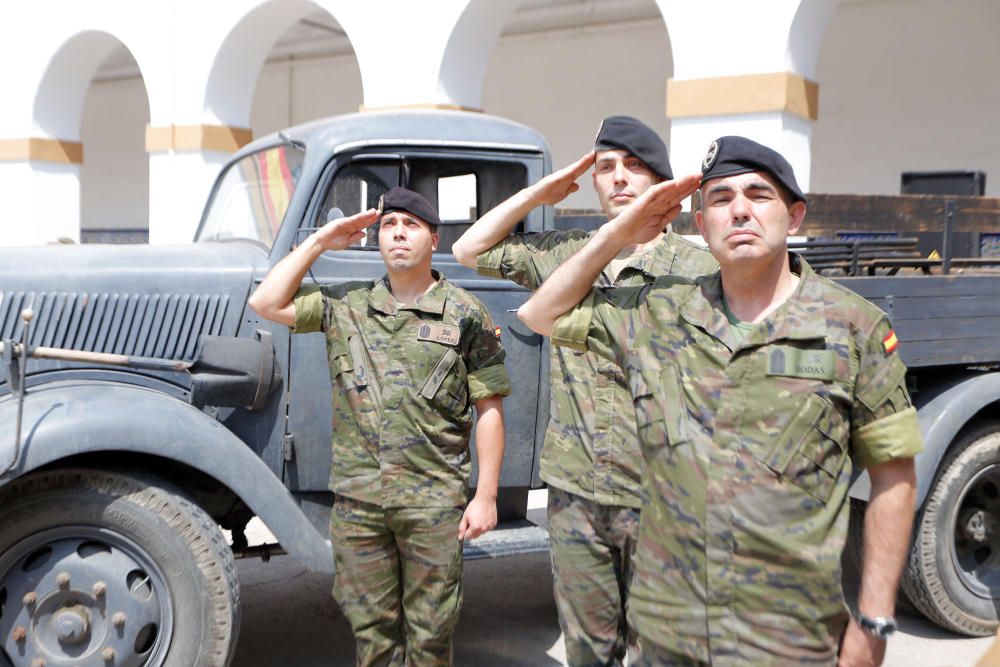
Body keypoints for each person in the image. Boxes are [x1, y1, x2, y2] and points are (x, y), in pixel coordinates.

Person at [517, 137, 923, 666]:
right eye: (720, 199)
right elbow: (539, 315)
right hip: (665, 634)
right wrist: (621, 229)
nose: (739, 211)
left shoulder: (853, 327)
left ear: (794, 216)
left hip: (786, 639)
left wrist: (873, 621)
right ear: (701, 225)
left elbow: (893, 476)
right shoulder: (658, 312)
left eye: (759, 195)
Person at [453, 116, 716, 666]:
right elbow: (468, 250)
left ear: (659, 181)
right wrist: (541, 192)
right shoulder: (566, 255)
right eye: (605, 168)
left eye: (634, 166)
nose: (618, 178)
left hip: (663, 496)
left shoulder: (699, 269)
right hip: (576, 492)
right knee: (589, 651)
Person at [248, 187, 511, 667]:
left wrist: (486, 494)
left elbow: (489, 407)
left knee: (430, 638)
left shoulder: (466, 313)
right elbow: (265, 302)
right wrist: (320, 242)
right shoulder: (346, 305)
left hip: (432, 503)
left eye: (410, 225)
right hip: (360, 505)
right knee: (373, 638)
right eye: (389, 225)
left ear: (434, 238)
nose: (398, 234)